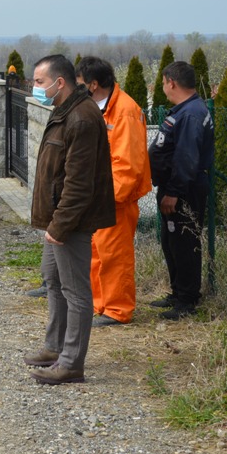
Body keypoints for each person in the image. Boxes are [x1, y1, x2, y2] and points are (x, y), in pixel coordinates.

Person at [23, 55, 116, 385]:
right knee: (52, 279)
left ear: (58, 82)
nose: (34, 88)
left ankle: (71, 362)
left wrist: (60, 226)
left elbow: (79, 183)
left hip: (70, 221)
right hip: (57, 218)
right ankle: (55, 346)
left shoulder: (81, 118)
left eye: (38, 81)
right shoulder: (66, 110)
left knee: (75, 291)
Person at [76, 57, 152, 327]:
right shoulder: (102, 108)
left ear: (94, 84)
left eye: (81, 83)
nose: (78, 87)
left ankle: (118, 310)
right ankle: (101, 304)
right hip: (101, 199)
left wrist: (109, 199)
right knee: (98, 254)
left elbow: (127, 166)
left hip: (115, 201)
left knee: (115, 256)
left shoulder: (125, 111)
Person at [147, 61, 215, 320]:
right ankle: (178, 293)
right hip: (174, 186)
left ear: (170, 82)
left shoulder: (191, 114)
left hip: (183, 190)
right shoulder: (186, 109)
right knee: (171, 240)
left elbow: (186, 158)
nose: (163, 88)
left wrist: (173, 192)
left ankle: (187, 301)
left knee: (185, 242)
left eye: (163, 83)